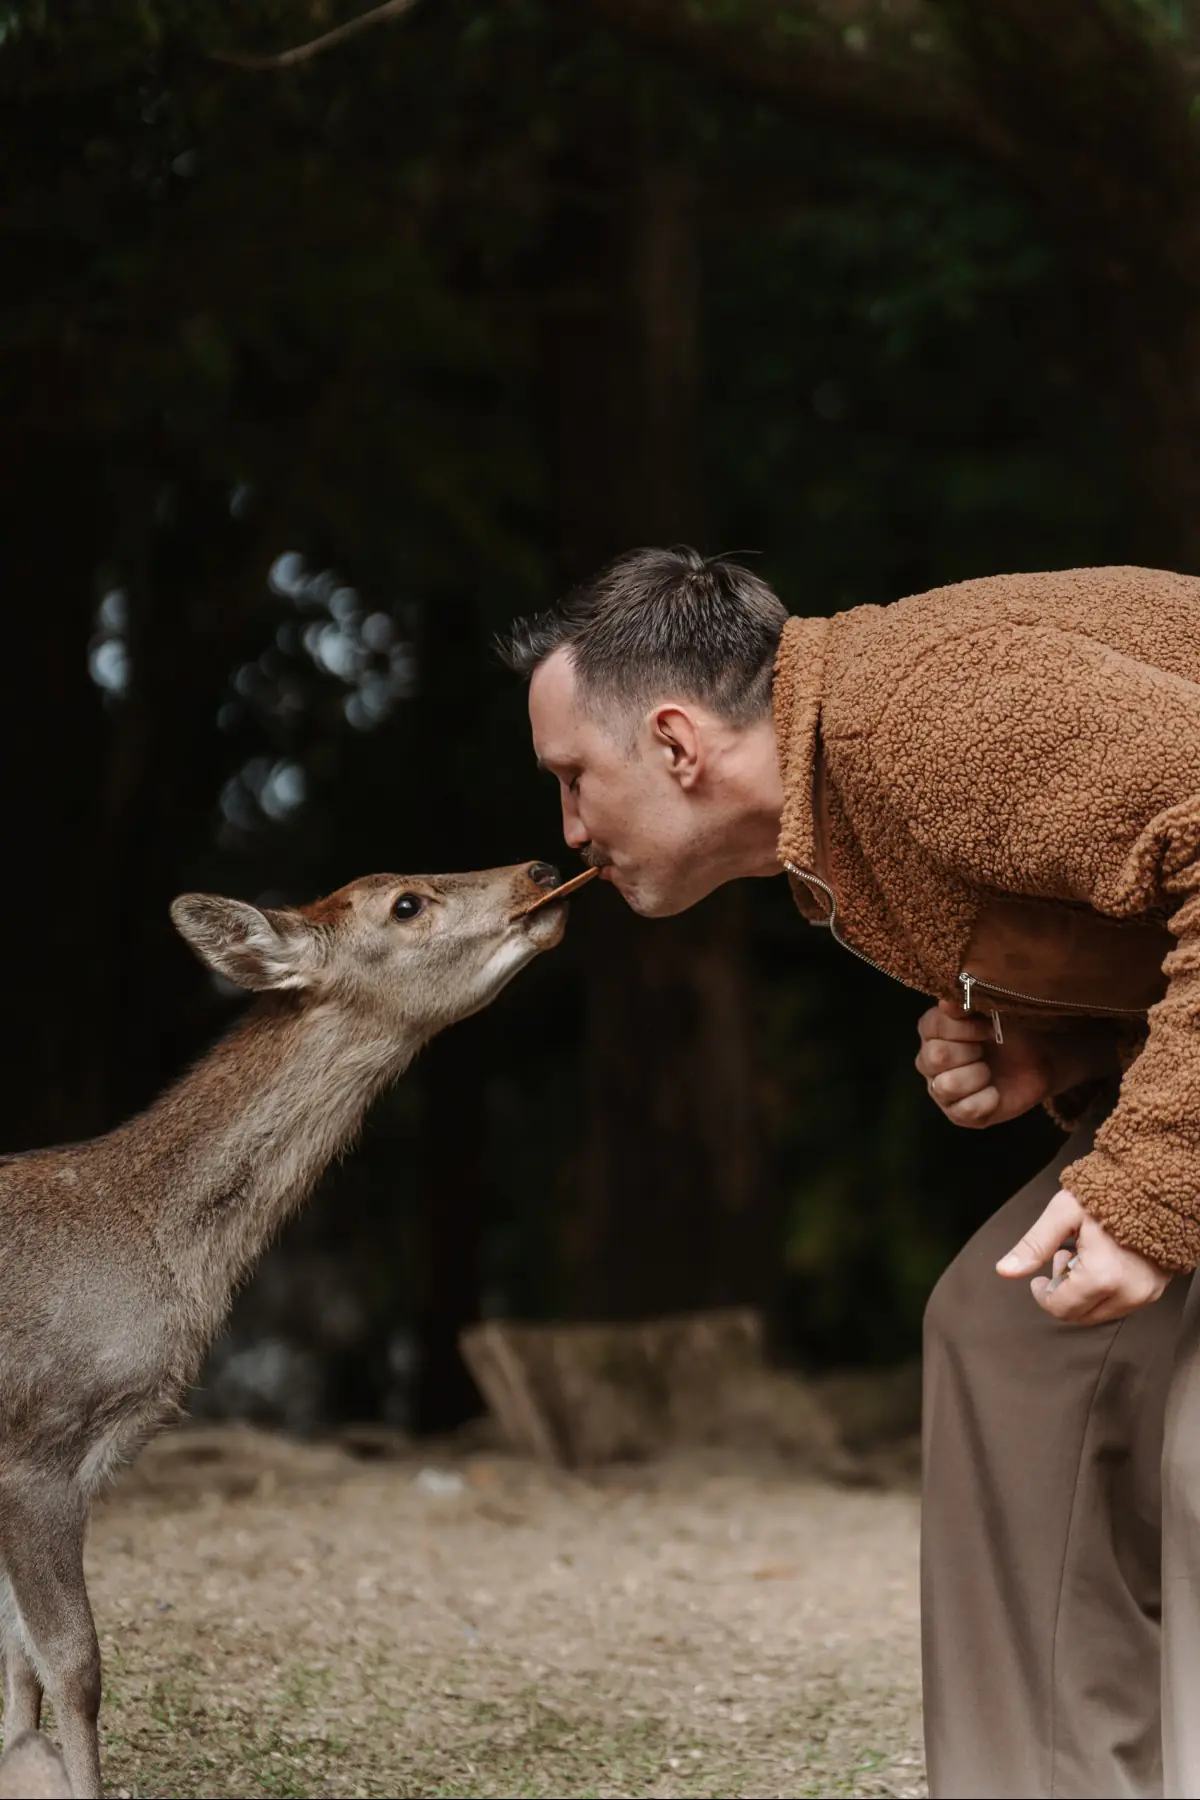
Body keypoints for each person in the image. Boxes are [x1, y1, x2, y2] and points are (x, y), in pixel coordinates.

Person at [499, 547, 1200, 1800]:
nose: (566, 831)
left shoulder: (925, 720)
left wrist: (1147, 1192)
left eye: (571, 778)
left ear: (673, 744)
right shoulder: (842, 819)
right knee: (1007, 1331)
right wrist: (1075, 1051)